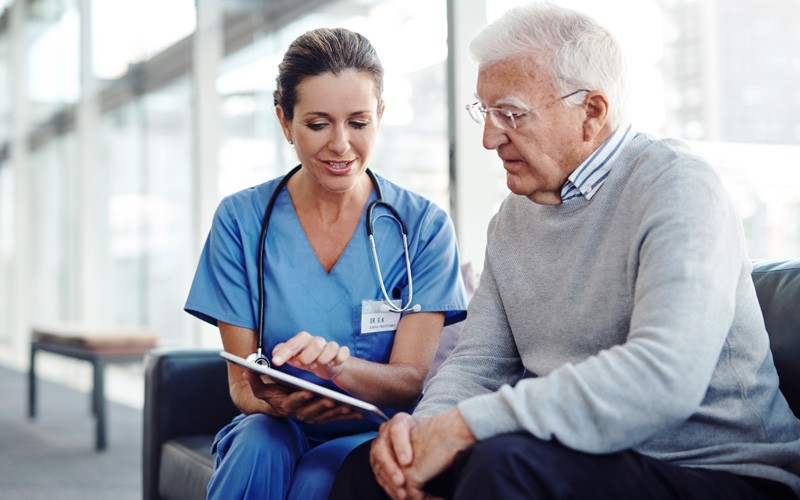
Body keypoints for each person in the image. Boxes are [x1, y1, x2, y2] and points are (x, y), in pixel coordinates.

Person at [330, 3, 800, 499]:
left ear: (591, 113)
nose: (489, 137)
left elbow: (666, 376)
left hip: (719, 471)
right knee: (370, 469)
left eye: (510, 113)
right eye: (484, 113)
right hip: (577, 459)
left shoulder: (677, 185)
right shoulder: (511, 221)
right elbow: (477, 365)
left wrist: (466, 427)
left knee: (504, 464)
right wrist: (421, 437)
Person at [184, 27, 468, 500]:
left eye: (358, 123)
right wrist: (271, 402)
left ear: (380, 116)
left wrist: (340, 369)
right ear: (284, 121)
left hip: (371, 429)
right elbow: (241, 383)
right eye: (318, 124)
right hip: (274, 423)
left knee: (321, 475)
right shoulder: (241, 220)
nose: (340, 144)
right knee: (258, 444)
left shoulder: (423, 227)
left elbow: (408, 382)